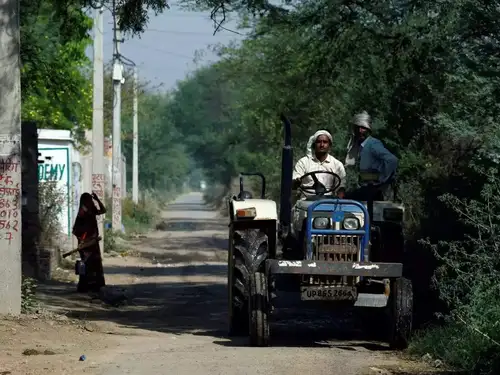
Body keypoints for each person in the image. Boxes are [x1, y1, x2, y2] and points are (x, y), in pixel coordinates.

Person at [344, 111, 398, 201]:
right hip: (366, 189)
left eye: (363, 128)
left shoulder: (373, 144)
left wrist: (379, 180)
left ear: (368, 130)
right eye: (358, 128)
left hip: (377, 192)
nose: (360, 131)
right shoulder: (360, 146)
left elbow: (392, 160)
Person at [292, 130, 346, 199]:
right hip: (306, 201)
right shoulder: (303, 162)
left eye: (325, 142)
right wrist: (297, 182)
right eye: (319, 142)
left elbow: (341, 187)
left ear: (330, 145)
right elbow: (294, 182)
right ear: (314, 145)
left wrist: (338, 201)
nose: (322, 145)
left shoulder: (337, 165)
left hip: (328, 202)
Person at [72, 192, 107, 293]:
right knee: (86, 265)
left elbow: (103, 210)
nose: (90, 202)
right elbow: (75, 230)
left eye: (91, 200)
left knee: (95, 264)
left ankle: (96, 286)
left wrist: (97, 199)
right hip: (86, 245)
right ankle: (84, 287)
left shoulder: (91, 210)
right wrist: (83, 240)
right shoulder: (82, 213)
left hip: (93, 243)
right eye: (89, 200)